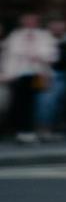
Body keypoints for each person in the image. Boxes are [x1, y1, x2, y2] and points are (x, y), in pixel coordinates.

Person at [1, 13, 59, 144]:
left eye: (32, 20)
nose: (29, 23)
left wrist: (38, 55)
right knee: (20, 103)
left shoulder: (45, 35)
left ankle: (36, 130)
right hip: (19, 74)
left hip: (38, 74)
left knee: (37, 103)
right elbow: (9, 54)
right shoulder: (15, 35)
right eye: (27, 20)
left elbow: (52, 55)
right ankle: (23, 131)